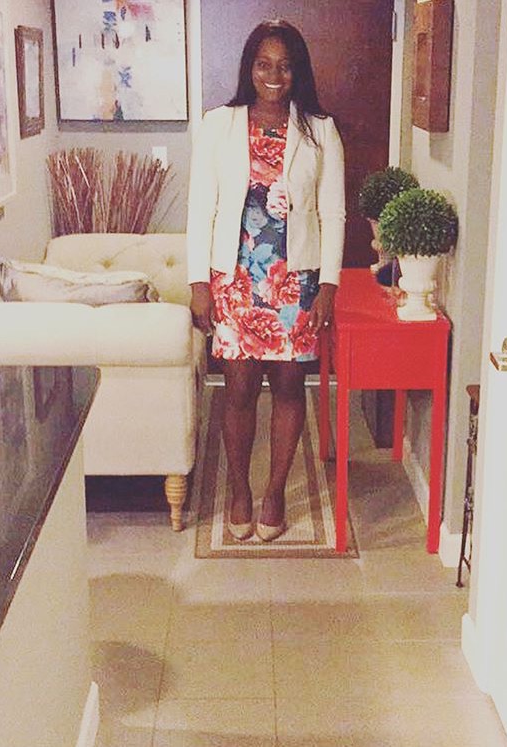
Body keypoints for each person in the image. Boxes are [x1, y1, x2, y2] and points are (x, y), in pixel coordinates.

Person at [186, 19, 345, 542]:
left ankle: (274, 492)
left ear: (298, 72)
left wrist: (328, 286)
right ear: (249, 68)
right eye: (263, 64)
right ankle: (239, 489)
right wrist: (199, 282)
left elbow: (333, 213)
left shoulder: (319, 129)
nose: (273, 75)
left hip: (295, 281)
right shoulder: (219, 124)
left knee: (289, 387)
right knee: (237, 390)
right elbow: (201, 208)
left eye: (284, 66)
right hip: (234, 279)